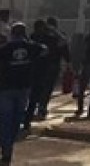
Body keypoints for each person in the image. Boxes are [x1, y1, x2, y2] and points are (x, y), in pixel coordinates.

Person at [0, 23, 46, 164]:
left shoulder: (5, 48)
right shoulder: (31, 47)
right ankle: (9, 145)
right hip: (24, 88)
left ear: (12, 33)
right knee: (17, 119)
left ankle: (6, 148)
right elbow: (45, 50)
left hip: (6, 88)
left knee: (6, 119)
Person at [33, 17, 70, 119]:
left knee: (37, 87)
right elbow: (64, 45)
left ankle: (35, 107)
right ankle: (41, 108)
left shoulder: (35, 36)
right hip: (51, 65)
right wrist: (68, 61)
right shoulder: (54, 37)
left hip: (38, 66)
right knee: (47, 88)